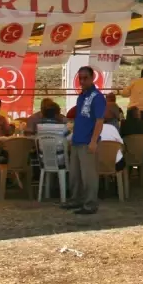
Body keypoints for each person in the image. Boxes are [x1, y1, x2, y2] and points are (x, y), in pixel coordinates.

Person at [59, 66, 106, 215]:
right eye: (80, 78)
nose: (82, 81)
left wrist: (93, 141)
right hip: (78, 140)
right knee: (75, 174)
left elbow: (99, 121)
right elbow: (79, 118)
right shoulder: (81, 96)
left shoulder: (97, 97)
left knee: (89, 175)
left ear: (92, 78)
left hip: (88, 141)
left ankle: (90, 203)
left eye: (85, 78)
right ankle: (76, 199)